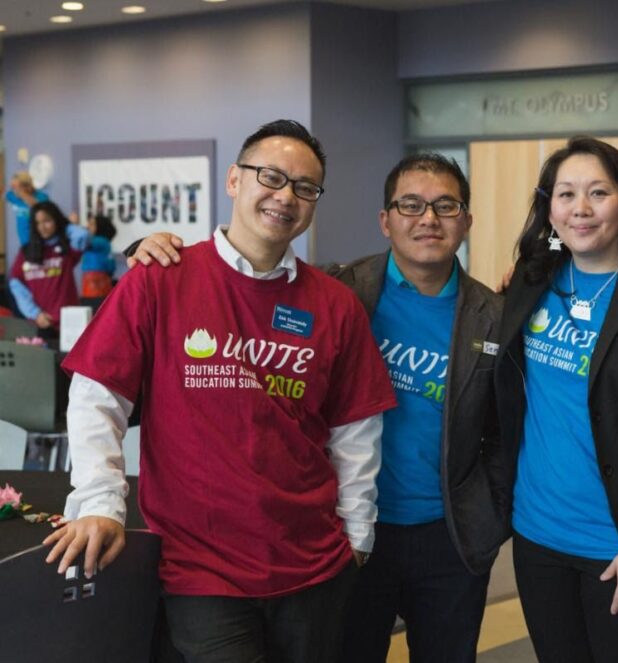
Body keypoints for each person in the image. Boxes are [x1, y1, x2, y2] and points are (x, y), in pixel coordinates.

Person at [129, 153, 511, 662]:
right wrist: (147, 248)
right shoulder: (337, 291)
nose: (428, 219)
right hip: (344, 535)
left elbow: (508, 432)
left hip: (449, 537)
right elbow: (251, 274)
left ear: (466, 220)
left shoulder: (495, 317)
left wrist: (491, 515)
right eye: (411, 205)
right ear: (386, 220)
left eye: (446, 206)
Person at [44, 119, 397, 662]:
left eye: (306, 188)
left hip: (315, 565)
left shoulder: (334, 304)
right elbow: (97, 395)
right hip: (200, 570)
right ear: (235, 180)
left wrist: (358, 535)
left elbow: (356, 430)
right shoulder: (161, 276)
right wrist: (100, 503)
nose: (286, 197)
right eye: (272, 177)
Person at [493, 136, 618, 662]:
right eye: (565, 195)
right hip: (537, 537)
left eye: (598, 193)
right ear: (549, 207)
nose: (580, 209)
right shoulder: (532, 278)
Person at [8, 201, 89, 336]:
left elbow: (82, 235)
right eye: (37, 223)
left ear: (56, 221)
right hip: (39, 322)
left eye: (47, 221)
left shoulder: (67, 248)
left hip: (70, 322)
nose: (42, 227)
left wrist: (66, 225)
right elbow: (16, 284)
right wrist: (35, 313)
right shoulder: (26, 252)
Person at [6, 171, 50, 247]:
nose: (14, 190)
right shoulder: (12, 196)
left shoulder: (42, 197)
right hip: (24, 242)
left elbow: (38, 207)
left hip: (40, 241)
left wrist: (23, 195)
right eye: (13, 187)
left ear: (27, 186)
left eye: (16, 187)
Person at [80, 214, 117, 298]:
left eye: (92, 224)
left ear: (100, 226)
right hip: (98, 278)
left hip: (94, 279)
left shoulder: (99, 240)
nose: (88, 226)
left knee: (93, 304)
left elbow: (84, 243)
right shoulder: (105, 241)